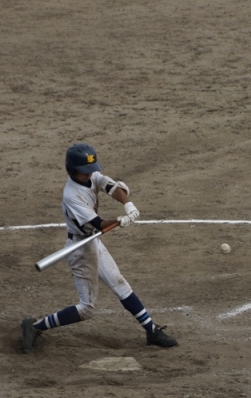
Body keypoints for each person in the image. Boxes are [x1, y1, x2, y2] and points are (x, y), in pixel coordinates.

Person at [21, 143, 177, 353]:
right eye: (84, 171)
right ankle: (34, 327)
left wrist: (128, 205)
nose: (89, 174)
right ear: (72, 170)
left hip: (92, 241)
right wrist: (119, 221)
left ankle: (151, 331)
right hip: (80, 250)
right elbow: (98, 224)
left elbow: (110, 187)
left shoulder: (91, 175)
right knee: (87, 308)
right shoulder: (71, 195)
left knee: (120, 284)